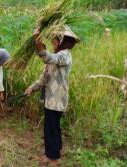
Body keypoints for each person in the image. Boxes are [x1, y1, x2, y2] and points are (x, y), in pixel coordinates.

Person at [25, 26, 80, 166]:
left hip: (57, 100)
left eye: (56, 39)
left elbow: (47, 57)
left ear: (63, 41)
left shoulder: (65, 55)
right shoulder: (55, 59)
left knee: (51, 128)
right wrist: (32, 88)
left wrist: (37, 40)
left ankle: (53, 158)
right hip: (50, 99)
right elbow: (43, 79)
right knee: (52, 127)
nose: (53, 42)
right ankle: (56, 151)